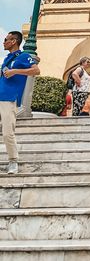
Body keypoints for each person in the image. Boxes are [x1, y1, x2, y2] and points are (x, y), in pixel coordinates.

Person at [0, 31, 40, 174]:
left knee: (7, 133)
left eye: (6, 39)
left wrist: (15, 71)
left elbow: (36, 70)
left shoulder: (23, 56)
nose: (3, 42)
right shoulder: (7, 59)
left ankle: (13, 161)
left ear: (14, 41)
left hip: (9, 98)